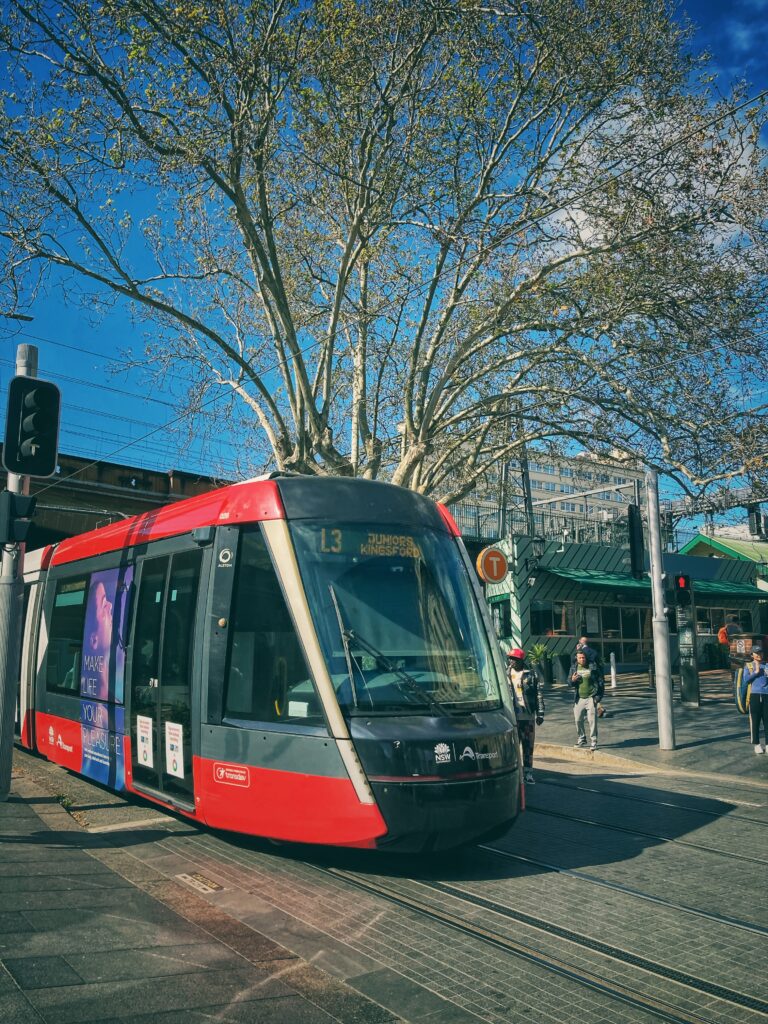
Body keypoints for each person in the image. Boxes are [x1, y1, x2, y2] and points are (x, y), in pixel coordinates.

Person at [507, 647, 545, 785]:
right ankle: (515, 772)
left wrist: (540, 713)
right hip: (511, 717)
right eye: (510, 658)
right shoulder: (505, 674)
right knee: (513, 746)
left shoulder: (531, 674)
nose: (511, 661)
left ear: (521, 660)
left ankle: (528, 773)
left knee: (528, 746)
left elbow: (538, 694)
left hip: (527, 716)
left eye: (515, 659)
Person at [570, 650, 604, 751]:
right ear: (577, 658)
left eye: (583, 658)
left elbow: (601, 681)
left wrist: (598, 697)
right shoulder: (574, 667)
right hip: (579, 697)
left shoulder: (593, 666)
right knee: (578, 719)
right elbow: (569, 682)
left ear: (586, 657)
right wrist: (572, 680)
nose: (582, 659)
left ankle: (593, 741)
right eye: (580, 658)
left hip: (591, 697)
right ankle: (582, 738)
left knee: (592, 720)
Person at [571, 636, 608, 718]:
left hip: (584, 675)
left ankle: (592, 711)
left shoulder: (580, 652)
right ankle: (599, 709)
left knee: (586, 694)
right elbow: (599, 663)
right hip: (595, 676)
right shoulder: (594, 652)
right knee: (593, 692)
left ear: (580, 642)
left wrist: (577, 651)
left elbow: (574, 663)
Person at [743, 644, 768, 754]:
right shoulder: (748, 666)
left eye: (761, 652)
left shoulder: (766, 665)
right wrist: (756, 672)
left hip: (767, 695)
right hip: (754, 696)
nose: (759, 655)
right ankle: (757, 744)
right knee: (755, 721)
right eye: (757, 653)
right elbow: (746, 680)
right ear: (752, 655)